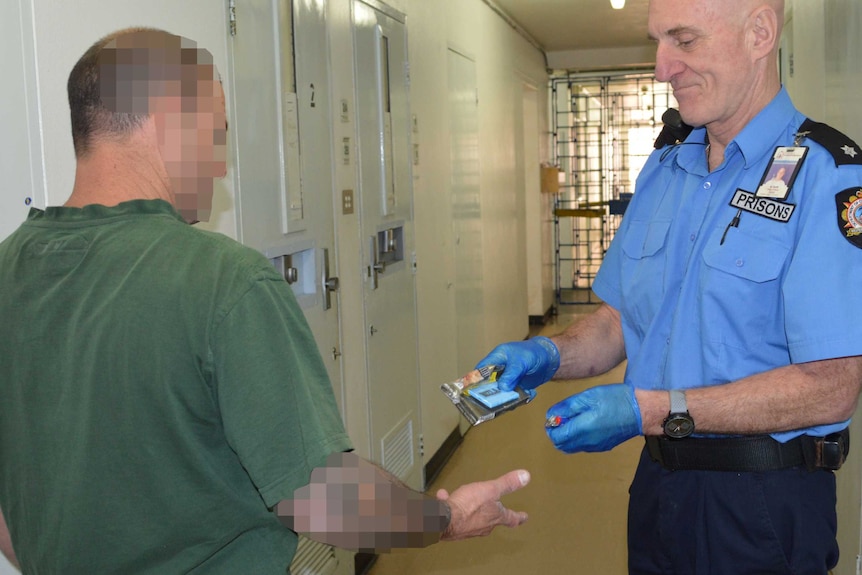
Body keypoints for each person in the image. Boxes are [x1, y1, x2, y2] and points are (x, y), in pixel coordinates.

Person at [0, 28, 529, 574]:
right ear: (170, 121)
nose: (220, 165)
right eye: (216, 132)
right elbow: (324, 500)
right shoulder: (223, 280)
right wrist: (445, 519)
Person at [478, 0, 862, 573]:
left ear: (760, 32)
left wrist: (653, 410)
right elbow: (620, 322)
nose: (661, 68)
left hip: (763, 504)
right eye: (658, 42)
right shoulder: (666, 169)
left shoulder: (828, 176)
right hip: (658, 486)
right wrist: (546, 354)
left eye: (683, 40)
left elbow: (831, 387)